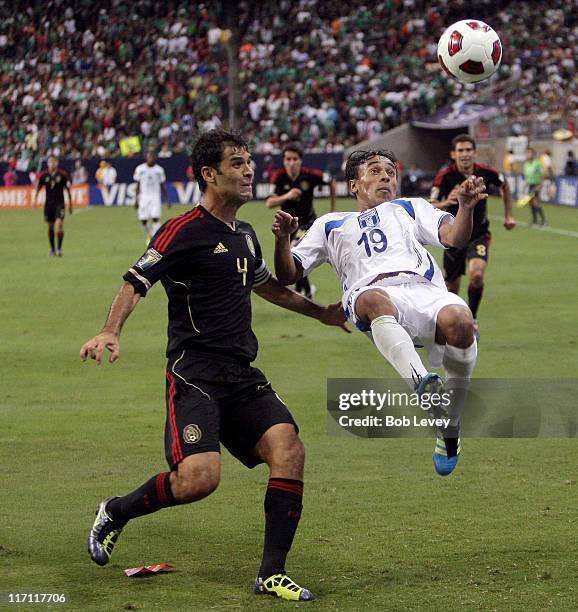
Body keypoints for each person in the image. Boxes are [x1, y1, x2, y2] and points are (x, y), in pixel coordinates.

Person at [80, 130, 348, 602]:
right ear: (210, 174)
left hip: (242, 373)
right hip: (195, 374)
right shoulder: (183, 230)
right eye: (237, 163)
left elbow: (268, 287)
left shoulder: (244, 234)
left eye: (249, 162)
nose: (249, 171)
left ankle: (272, 574)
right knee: (198, 481)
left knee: (289, 450)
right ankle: (116, 511)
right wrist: (111, 331)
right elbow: (136, 280)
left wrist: (321, 312)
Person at [273, 149, 486, 477]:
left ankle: (450, 420)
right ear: (355, 185)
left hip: (425, 289)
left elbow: (454, 237)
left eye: (390, 171)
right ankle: (424, 386)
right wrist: (283, 241)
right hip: (371, 292)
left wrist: (466, 209)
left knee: (462, 322)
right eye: (375, 171)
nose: (386, 176)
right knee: (373, 298)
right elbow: (289, 275)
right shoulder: (330, 224)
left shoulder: (410, 207)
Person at [430, 134, 515, 335]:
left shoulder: (487, 173)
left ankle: (473, 319)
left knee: (477, 275)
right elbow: (431, 204)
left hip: (479, 234)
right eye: (460, 150)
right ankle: (450, 325)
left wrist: (509, 215)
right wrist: (446, 202)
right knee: (451, 288)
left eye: (468, 150)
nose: (465, 154)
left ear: (474, 152)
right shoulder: (444, 177)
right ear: (453, 154)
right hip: (454, 237)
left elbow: (505, 186)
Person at [266, 144, 337, 299]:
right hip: (287, 227)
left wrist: (333, 209)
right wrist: (287, 195)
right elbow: (269, 203)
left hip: (307, 224)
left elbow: (331, 180)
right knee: (291, 258)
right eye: (288, 159)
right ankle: (305, 290)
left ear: (300, 161)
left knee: (292, 252)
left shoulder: (309, 175)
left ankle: (303, 292)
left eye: (295, 159)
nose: (291, 162)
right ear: (284, 161)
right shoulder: (279, 177)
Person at [33, 155, 72, 257]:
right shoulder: (44, 175)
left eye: (54, 162)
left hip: (60, 204)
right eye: (50, 162)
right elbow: (38, 187)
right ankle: (52, 249)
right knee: (50, 227)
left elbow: (68, 190)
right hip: (48, 205)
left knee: (59, 224)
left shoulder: (62, 175)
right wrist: (35, 200)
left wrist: (71, 204)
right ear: (48, 163)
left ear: (57, 163)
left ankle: (59, 249)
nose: (52, 164)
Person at [133, 150, 168, 241]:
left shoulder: (159, 170)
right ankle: (149, 234)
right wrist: (136, 200)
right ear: (146, 158)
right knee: (143, 220)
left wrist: (167, 199)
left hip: (155, 197)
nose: (150, 159)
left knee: (155, 218)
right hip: (143, 197)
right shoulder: (140, 169)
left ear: (155, 158)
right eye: (149, 157)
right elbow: (137, 185)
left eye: (152, 157)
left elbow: (162, 185)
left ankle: (154, 238)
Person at [523, 147, 547, 226]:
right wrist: (524, 185)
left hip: (536, 185)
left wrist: (540, 185)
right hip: (530, 185)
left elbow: (542, 174)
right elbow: (527, 176)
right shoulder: (526, 164)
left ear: (533, 154)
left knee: (536, 203)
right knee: (531, 203)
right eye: (527, 153)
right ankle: (535, 220)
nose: (528, 154)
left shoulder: (537, 163)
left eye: (529, 153)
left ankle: (543, 221)